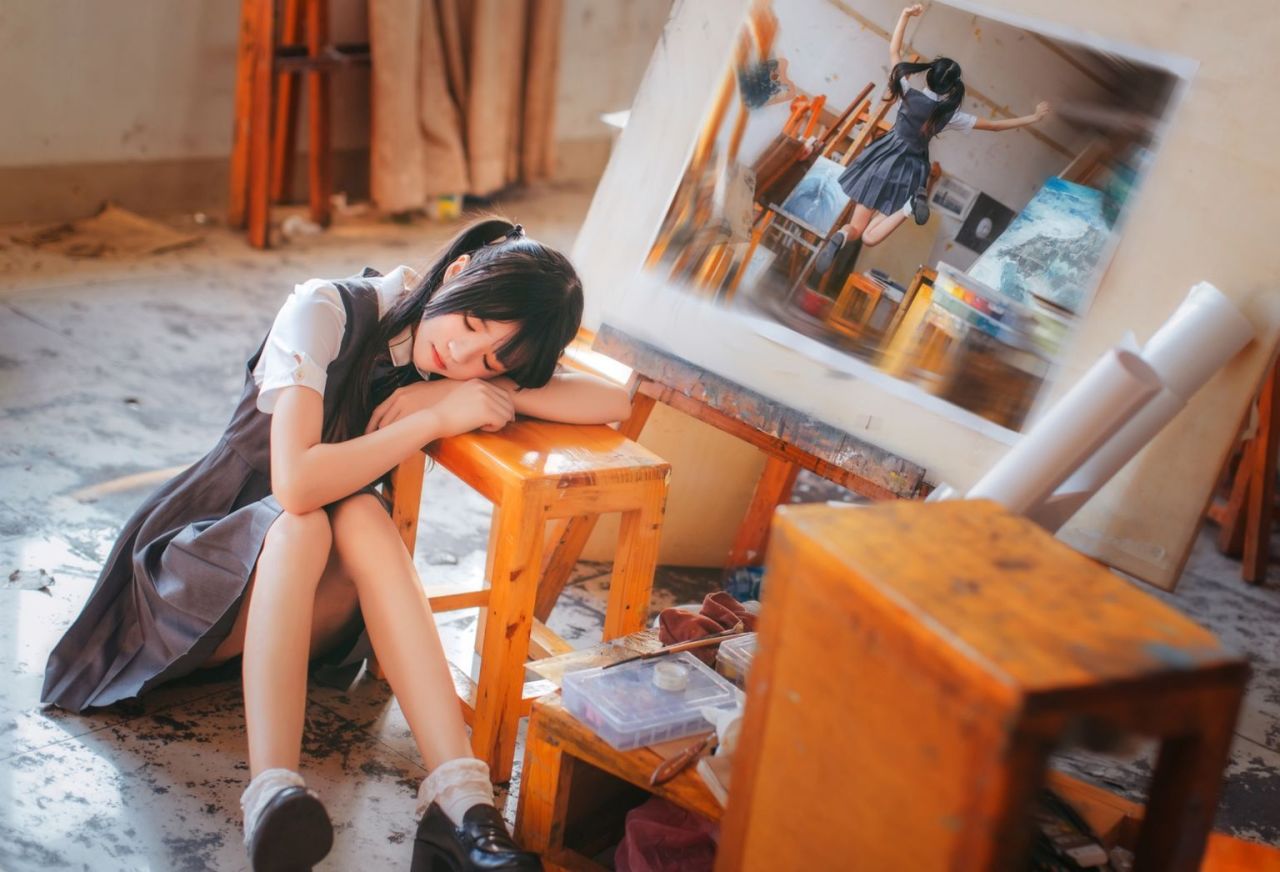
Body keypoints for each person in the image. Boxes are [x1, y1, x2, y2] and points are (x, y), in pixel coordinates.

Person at [41, 217, 633, 871]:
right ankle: (271, 795)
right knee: (312, 518)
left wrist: (461, 386)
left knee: (356, 513)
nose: (463, 357)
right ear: (458, 273)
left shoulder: (458, 362)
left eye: (492, 362)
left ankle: (463, 804)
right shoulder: (323, 309)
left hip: (308, 600)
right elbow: (295, 484)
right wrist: (437, 415)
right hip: (197, 573)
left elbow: (614, 398)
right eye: (468, 327)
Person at [813, 4, 1051, 275]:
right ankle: (908, 207)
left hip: (880, 161)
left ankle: (843, 235)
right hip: (909, 172)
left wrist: (904, 15)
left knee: (856, 229)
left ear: (928, 75)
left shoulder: (907, 92)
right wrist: (1032, 118)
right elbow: (994, 127)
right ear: (951, 88)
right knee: (870, 238)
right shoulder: (948, 115)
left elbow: (894, 51)